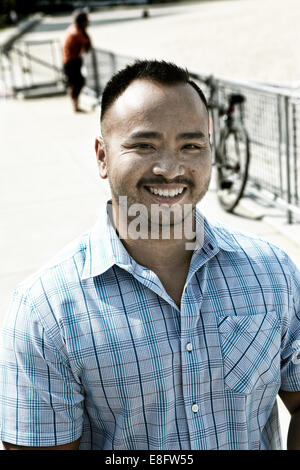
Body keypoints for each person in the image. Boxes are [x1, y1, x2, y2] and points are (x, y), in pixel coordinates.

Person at [0, 60, 300, 451]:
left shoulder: (273, 271)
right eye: (144, 145)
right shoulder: (46, 312)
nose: (169, 168)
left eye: (191, 145)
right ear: (102, 156)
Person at [62, 10, 91, 113]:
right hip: (71, 62)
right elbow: (88, 44)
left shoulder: (74, 28)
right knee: (77, 83)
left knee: (76, 83)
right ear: (82, 21)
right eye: (87, 20)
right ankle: (75, 107)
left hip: (72, 60)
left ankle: (75, 105)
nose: (89, 22)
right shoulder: (77, 33)